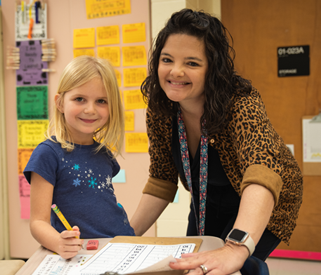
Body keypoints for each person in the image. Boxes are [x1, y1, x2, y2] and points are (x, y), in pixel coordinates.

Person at [130, 8, 303, 275]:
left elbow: (262, 171)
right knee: (189, 264)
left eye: (192, 63)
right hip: (207, 196)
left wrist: (236, 248)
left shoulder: (240, 103)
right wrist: (127, 235)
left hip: (265, 196)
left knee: (236, 265)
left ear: (213, 69)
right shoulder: (161, 108)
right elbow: (162, 178)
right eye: (167, 59)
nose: (176, 72)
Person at [24, 56, 135, 259]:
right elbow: (37, 222)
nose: (90, 109)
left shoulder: (103, 153)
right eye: (79, 99)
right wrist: (59, 242)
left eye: (101, 101)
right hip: (83, 254)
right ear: (60, 103)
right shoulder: (47, 154)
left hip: (120, 245)